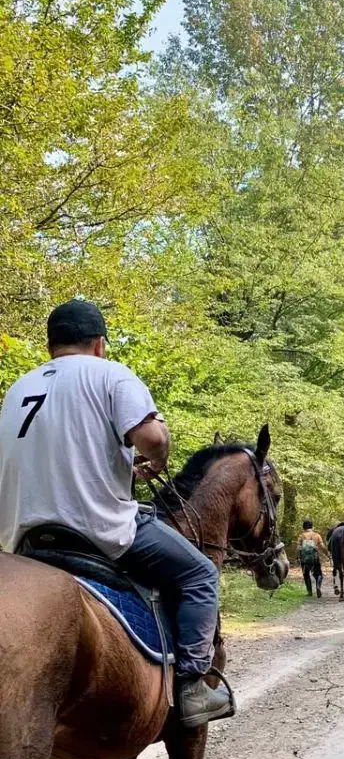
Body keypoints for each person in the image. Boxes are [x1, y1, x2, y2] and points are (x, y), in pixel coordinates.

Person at [0, 299, 234, 728]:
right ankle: (194, 687)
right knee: (200, 574)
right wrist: (157, 457)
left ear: (51, 346)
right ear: (100, 344)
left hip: (24, 540)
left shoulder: (18, 388)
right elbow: (150, 437)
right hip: (97, 530)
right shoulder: (111, 375)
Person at [296, 518, 328, 597]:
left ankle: (309, 592)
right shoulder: (316, 535)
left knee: (306, 575)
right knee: (319, 574)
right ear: (312, 526)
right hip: (315, 557)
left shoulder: (301, 536)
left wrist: (297, 557)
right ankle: (318, 586)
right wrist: (327, 553)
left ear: (303, 527)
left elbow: (298, 548)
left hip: (304, 559)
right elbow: (322, 546)